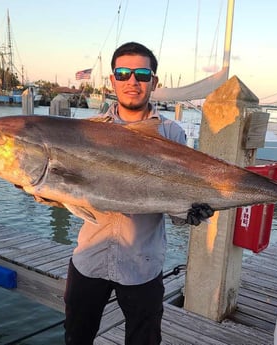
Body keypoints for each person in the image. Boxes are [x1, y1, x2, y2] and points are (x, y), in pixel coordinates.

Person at [64, 42, 213, 345]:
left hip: (142, 264)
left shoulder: (172, 134)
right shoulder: (88, 131)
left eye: (142, 74)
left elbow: (178, 201)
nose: (133, 81)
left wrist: (190, 214)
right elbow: (64, 187)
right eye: (123, 72)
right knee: (76, 338)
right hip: (90, 257)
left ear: (154, 82)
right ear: (112, 80)